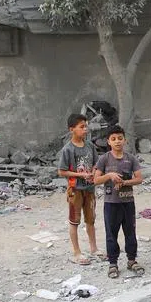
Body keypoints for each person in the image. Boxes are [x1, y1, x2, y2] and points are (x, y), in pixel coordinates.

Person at [94, 125, 146, 279]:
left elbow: (139, 179)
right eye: (113, 139)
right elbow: (96, 180)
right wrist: (109, 175)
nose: (117, 142)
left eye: (120, 138)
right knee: (111, 233)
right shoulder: (104, 159)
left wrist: (125, 182)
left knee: (130, 231)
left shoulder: (130, 159)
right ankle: (113, 263)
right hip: (111, 203)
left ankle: (132, 260)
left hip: (128, 201)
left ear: (125, 140)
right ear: (108, 142)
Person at [57, 113, 99, 265]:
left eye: (86, 126)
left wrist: (93, 173)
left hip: (90, 189)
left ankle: (94, 249)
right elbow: (61, 171)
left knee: (91, 220)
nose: (85, 129)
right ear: (72, 129)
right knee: (74, 221)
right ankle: (77, 252)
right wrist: (80, 175)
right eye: (82, 127)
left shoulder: (90, 146)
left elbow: (96, 163)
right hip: (75, 189)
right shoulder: (68, 149)